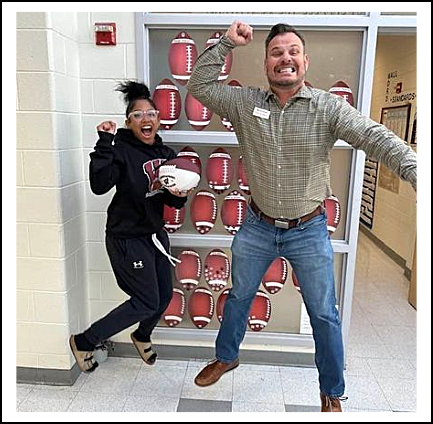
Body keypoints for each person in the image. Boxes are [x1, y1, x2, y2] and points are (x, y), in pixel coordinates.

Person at [187, 21, 417, 412]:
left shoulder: (328, 107)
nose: (285, 58)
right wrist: (227, 43)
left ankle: (331, 390)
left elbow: (375, 136)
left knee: (324, 313)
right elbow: (199, 86)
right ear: (266, 64)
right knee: (240, 295)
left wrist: (415, 169)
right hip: (257, 225)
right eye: (276, 52)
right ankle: (226, 356)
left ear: (305, 61)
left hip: (308, 230)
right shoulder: (246, 104)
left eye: (293, 51)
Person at [70, 81, 191, 373]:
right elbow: (99, 185)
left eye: (151, 113)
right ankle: (85, 340)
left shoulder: (166, 153)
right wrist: (103, 142)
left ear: (158, 119)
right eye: (138, 115)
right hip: (126, 237)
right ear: (129, 122)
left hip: (154, 235)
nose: (145, 119)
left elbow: (172, 205)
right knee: (145, 300)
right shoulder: (119, 149)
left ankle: (141, 335)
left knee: (163, 298)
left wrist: (179, 196)